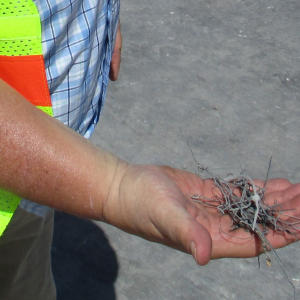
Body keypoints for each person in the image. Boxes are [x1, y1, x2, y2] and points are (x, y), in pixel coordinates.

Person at [0, 0, 300, 299]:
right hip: (21, 163)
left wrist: (100, 18)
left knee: (24, 271)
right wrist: (114, 187)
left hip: (38, 176)